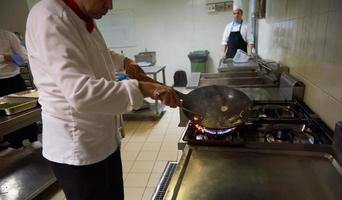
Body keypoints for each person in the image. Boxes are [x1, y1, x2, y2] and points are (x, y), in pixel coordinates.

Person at [25, 0, 180, 199]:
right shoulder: (50, 16)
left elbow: (97, 53)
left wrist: (124, 62)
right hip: (78, 146)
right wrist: (142, 88)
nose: (110, 5)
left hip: (104, 139)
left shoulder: (82, 16)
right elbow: (81, 92)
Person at [0, 29, 40, 149]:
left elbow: (24, 58)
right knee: (6, 118)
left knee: (28, 112)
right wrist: (6, 57)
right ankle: (15, 146)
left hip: (15, 80)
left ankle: (34, 141)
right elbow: (14, 58)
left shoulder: (8, 35)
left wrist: (9, 57)